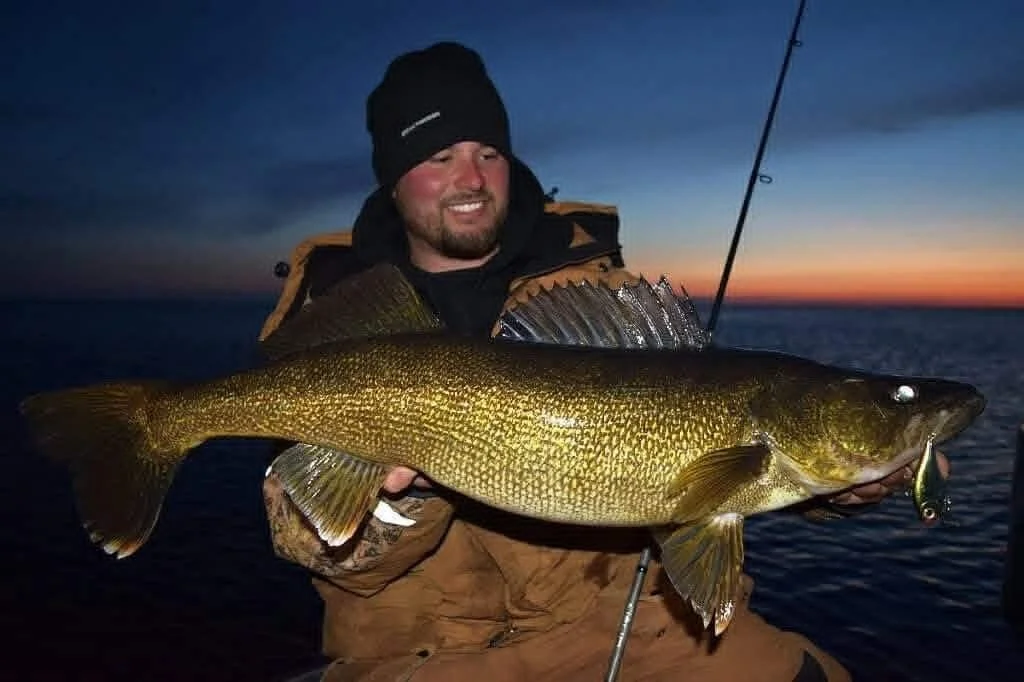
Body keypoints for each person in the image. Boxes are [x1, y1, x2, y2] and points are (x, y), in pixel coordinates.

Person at [259, 41, 944, 682]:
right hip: (427, 655)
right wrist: (403, 499)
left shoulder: (601, 299)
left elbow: (718, 485)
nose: (471, 179)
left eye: (488, 152)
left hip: (631, 627)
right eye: (438, 157)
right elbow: (313, 547)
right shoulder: (338, 322)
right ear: (392, 179)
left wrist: (846, 490)